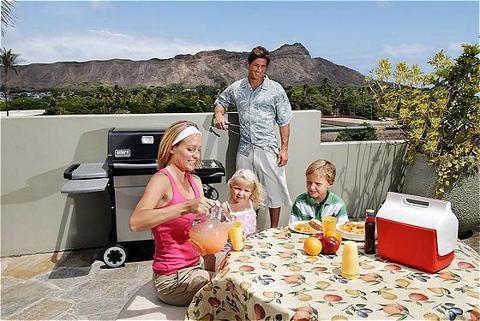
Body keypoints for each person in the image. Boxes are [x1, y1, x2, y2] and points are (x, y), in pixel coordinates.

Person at [129, 120, 216, 307]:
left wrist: (220, 217)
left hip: (195, 266)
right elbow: (136, 222)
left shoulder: (195, 181)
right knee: (230, 288)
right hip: (172, 280)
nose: (196, 156)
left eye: (199, 150)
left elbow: (199, 228)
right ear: (172, 149)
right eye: (190, 149)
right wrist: (185, 207)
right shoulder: (162, 179)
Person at [213, 45, 293, 228]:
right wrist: (219, 115)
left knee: (274, 191)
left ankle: (273, 230)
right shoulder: (237, 88)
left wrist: (284, 149)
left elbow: (285, 120)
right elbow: (220, 102)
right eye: (256, 65)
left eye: (263, 67)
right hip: (245, 149)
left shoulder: (276, 90)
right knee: (243, 190)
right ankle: (247, 229)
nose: (259, 70)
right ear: (248, 64)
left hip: (268, 148)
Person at [289, 159, 349, 225]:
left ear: (330, 183)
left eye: (318, 184)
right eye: (309, 182)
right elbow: (293, 227)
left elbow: (342, 230)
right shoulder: (300, 202)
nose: (312, 187)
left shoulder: (338, 205)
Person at [221, 169, 266, 237]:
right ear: (231, 186)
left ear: (252, 192)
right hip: (234, 243)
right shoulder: (226, 207)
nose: (241, 193)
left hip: (251, 241)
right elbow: (221, 228)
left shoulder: (251, 203)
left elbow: (252, 223)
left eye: (246, 191)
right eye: (237, 188)